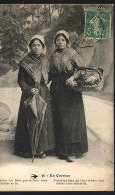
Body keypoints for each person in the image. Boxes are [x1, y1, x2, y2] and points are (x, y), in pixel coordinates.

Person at [49, 30, 88, 162]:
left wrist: (73, 77)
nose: (60, 42)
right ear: (55, 42)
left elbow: (83, 69)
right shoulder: (53, 55)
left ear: (66, 41)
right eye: (58, 40)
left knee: (70, 119)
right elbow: (50, 73)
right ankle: (60, 149)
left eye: (62, 40)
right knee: (58, 118)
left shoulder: (72, 53)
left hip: (70, 88)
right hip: (56, 88)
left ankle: (72, 151)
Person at [14, 35, 55, 158]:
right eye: (34, 45)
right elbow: (21, 81)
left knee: (43, 119)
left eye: (39, 45)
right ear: (30, 47)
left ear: (43, 47)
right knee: (29, 120)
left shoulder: (46, 60)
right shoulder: (25, 62)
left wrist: (43, 87)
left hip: (43, 92)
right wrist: (29, 89)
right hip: (29, 94)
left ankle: (41, 149)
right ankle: (27, 148)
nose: (36, 48)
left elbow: (50, 76)